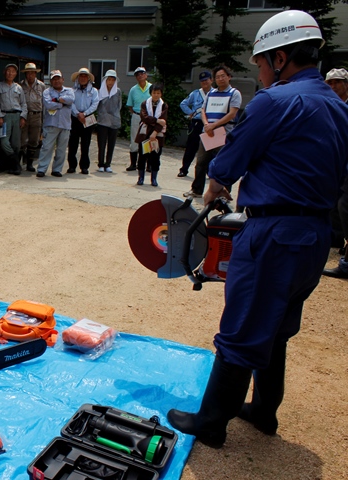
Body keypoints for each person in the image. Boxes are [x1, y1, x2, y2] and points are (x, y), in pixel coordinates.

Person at [167, 10, 348, 449]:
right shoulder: (338, 107)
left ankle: (211, 422)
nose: (262, 75)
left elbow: (227, 162)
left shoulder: (275, 101)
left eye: (263, 64)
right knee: (278, 325)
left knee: (244, 325)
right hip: (315, 237)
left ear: (281, 58)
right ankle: (264, 411)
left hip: (274, 234)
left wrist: (214, 189)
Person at [183, 65, 241, 198]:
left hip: (224, 133)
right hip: (208, 133)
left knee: (223, 164)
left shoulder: (234, 93)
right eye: (217, 77)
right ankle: (197, 190)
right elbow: (203, 110)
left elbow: (232, 114)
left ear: (229, 77)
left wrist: (214, 125)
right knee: (201, 163)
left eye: (223, 76)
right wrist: (207, 125)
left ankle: (224, 193)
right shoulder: (211, 93)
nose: (220, 79)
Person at [322, 68, 348, 279]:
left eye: (336, 83)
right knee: (334, 203)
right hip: (335, 164)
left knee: (345, 207)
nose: (332, 87)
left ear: (345, 84)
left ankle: (347, 262)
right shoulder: (330, 106)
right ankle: (337, 238)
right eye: (329, 83)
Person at [35, 70, 75, 178]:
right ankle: (42, 169)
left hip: (65, 124)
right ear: (51, 81)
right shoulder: (47, 92)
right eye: (54, 79)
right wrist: (62, 104)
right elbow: (48, 104)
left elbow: (71, 99)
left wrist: (57, 100)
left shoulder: (69, 90)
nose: (56, 81)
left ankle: (57, 169)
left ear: (63, 79)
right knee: (47, 147)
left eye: (58, 78)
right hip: (51, 123)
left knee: (61, 149)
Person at [178, 71, 214, 177]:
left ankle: (209, 171)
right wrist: (191, 113)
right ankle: (184, 169)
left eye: (206, 80)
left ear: (211, 80)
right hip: (197, 122)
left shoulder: (215, 93)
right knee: (191, 147)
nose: (205, 82)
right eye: (202, 81)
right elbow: (183, 104)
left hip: (210, 123)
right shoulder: (195, 93)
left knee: (210, 149)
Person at [0, 63, 27, 175]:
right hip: (5, 116)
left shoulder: (18, 87)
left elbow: (23, 104)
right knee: (4, 141)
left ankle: (13, 167)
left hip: (17, 116)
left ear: (16, 74)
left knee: (16, 143)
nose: (10, 73)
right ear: (4, 72)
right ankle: (16, 163)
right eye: (8, 71)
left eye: (13, 71)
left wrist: (23, 117)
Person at [66, 67, 99, 175]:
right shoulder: (72, 90)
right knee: (73, 143)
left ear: (88, 78)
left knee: (86, 143)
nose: (83, 78)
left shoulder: (94, 91)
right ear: (78, 78)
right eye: (81, 76)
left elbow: (95, 104)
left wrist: (84, 114)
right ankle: (72, 166)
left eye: (85, 76)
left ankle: (84, 166)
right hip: (75, 117)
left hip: (88, 117)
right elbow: (70, 103)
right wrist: (78, 114)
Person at [134, 84, 167, 187]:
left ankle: (154, 178)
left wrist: (155, 132)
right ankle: (141, 178)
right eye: (154, 93)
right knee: (142, 157)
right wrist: (156, 120)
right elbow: (144, 117)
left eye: (158, 93)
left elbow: (163, 121)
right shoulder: (145, 104)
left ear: (161, 94)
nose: (156, 95)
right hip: (145, 133)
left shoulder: (163, 105)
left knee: (155, 158)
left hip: (157, 135)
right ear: (151, 93)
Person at [20, 63, 46, 172]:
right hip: (24, 115)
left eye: (32, 73)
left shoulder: (42, 86)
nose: (30, 75)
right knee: (22, 140)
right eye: (28, 73)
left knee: (34, 140)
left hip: (37, 114)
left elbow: (44, 103)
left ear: (35, 74)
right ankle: (21, 162)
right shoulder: (20, 85)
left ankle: (30, 163)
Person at [95, 70, 122, 173]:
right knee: (101, 143)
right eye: (109, 80)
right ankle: (101, 164)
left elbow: (119, 105)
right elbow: (97, 106)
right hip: (102, 120)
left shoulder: (118, 91)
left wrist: (114, 115)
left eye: (113, 80)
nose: (110, 82)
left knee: (111, 144)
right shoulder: (100, 91)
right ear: (105, 80)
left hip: (114, 120)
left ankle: (108, 164)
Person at [125, 67, 151, 171]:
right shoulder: (133, 89)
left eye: (142, 73)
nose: (140, 75)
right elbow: (130, 105)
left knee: (148, 139)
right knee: (134, 139)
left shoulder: (152, 87)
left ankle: (148, 164)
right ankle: (133, 164)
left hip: (149, 117)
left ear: (146, 75)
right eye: (137, 74)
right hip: (136, 115)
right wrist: (137, 113)